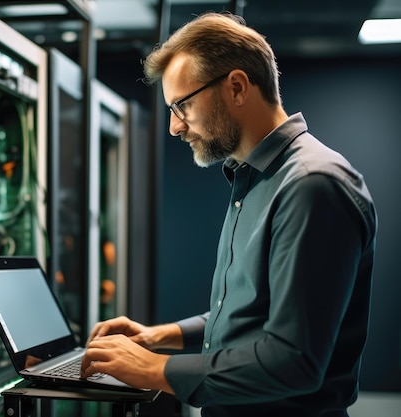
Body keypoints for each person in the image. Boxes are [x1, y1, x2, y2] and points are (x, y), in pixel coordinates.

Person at [80, 11, 377, 417]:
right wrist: (160, 336)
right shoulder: (253, 179)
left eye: (181, 105)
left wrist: (155, 369)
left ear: (237, 86)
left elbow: (294, 361)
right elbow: (252, 314)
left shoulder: (312, 185)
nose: (174, 127)